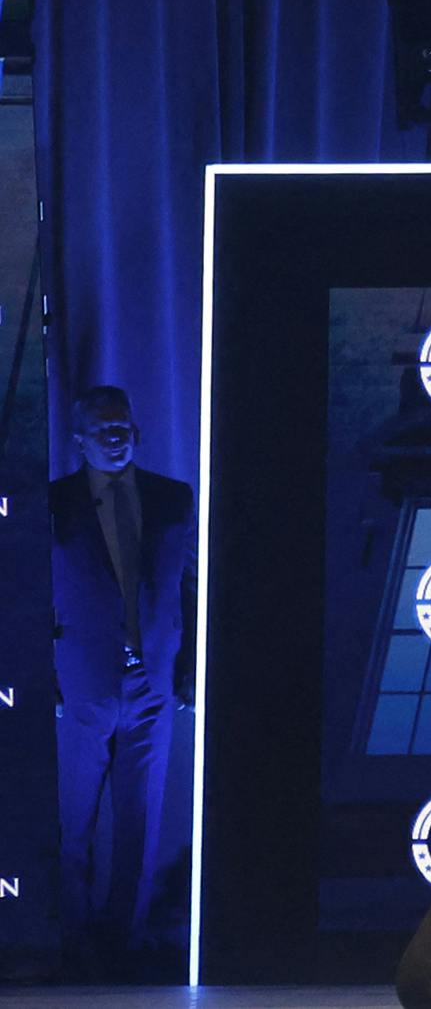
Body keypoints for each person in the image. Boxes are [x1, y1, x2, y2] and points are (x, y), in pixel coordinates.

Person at [51, 385, 192, 973]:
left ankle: (123, 943)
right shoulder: (52, 502)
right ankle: (73, 940)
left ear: (137, 431)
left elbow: (189, 586)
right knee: (73, 819)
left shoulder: (172, 498)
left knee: (141, 819)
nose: (115, 435)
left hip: (153, 684)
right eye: (102, 428)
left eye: (122, 426)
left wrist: (186, 671)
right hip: (79, 682)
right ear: (79, 438)